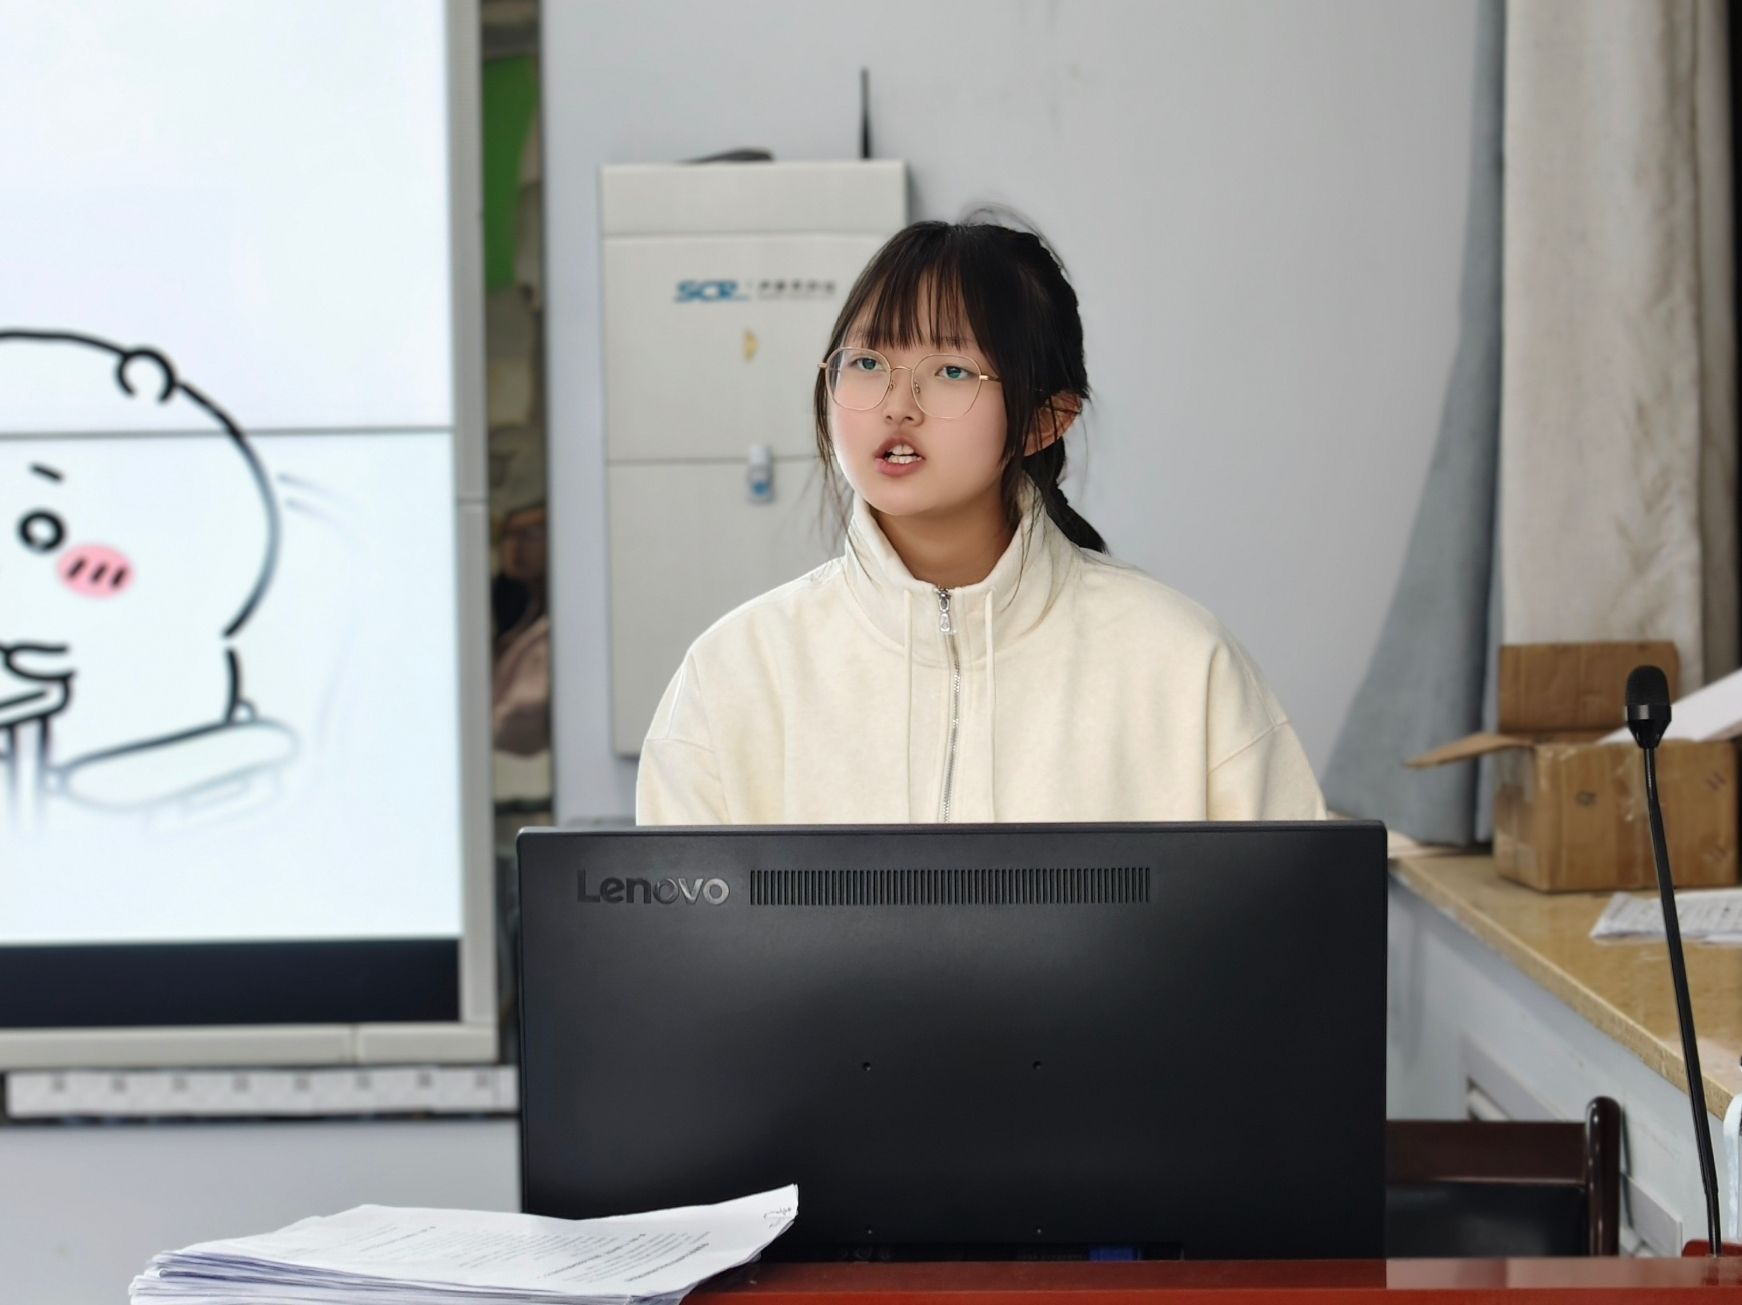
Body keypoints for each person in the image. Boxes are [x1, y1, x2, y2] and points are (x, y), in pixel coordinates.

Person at [636, 217, 1325, 825]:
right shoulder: (734, 674)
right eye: (868, 361)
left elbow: (1294, 919)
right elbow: (674, 928)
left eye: (951, 371)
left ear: (1046, 419)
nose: (897, 404)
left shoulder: (1182, 665)